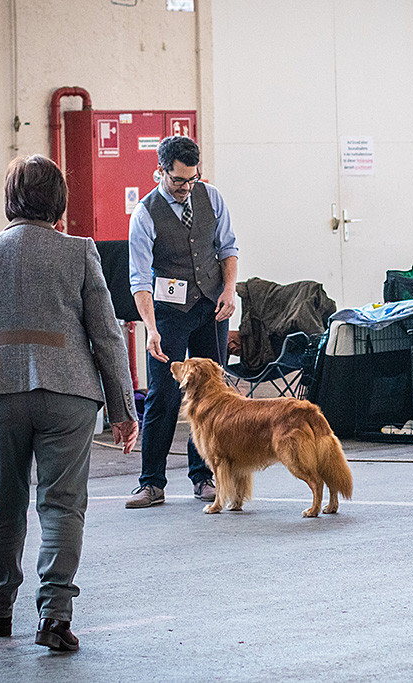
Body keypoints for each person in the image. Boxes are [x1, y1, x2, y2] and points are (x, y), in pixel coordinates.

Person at [0, 155, 139, 652]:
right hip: (69, 395)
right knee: (63, 506)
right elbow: (107, 337)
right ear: (59, 202)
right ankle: (55, 616)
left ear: (10, 199)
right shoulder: (80, 252)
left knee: (2, 504)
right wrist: (123, 410)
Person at [125, 135, 238, 508]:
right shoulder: (144, 213)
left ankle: (203, 477)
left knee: (211, 393)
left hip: (211, 306)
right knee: (163, 395)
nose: (187, 188)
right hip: (169, 313)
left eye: (192, 179)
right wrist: (151, 328)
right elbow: (139, 279)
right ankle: (151, 483)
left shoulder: (211, 197)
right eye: (178, 181)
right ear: (159, 171)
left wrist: (229, 290)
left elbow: (227, 248)